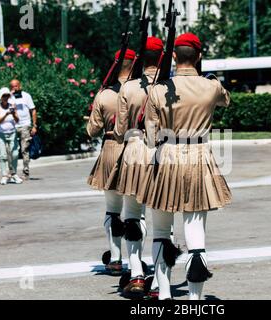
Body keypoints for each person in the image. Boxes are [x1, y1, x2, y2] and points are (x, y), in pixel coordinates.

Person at [139, 33, 231, 300]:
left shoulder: (158, 90)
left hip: (167, 155)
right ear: (199, 57)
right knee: (195, 231)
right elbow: (226, 100)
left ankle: (165, 294)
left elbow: (150, 136)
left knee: (160, 232)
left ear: (174, 57)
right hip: (199, 156)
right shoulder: (211, 87)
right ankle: (195, 299)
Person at [114, 37, 165, 298]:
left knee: (132, 216)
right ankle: (158, 281)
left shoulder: (129, 87)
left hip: (133, 150)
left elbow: (120, 129)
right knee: (161, 222)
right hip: (162, 154)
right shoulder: (170, 86)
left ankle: (135, 274)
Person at [87, 49, 137, 277]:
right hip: (137, 149)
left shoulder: (104, 95)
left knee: (113, 210)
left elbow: (92, 130)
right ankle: (137, 264)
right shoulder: (143, 91)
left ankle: (116, 258)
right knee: (137, 213)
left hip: (110, 148)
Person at [0, 87, 23, 185]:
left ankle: (13, 174)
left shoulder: (12, 105)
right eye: (4, 96)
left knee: (14, 154)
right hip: (0, 133)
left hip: (12, 132)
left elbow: (17, 120)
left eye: (7, 95)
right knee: (3, 155)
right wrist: (6, 114)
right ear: (1, 97)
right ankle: (4, 176)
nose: (5, 97)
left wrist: (13, 113)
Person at [9, 79, 37, 181]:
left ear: (20, 86)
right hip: (12, 126)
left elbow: (33, 110)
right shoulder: (8, 97)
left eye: (16, 86)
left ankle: (26, 173)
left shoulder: (26, 96)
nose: (14, 88)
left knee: (24, 149)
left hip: (25, 125)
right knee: (11, 150)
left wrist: (34, 126)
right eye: (12, 86)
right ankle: (12, 173)